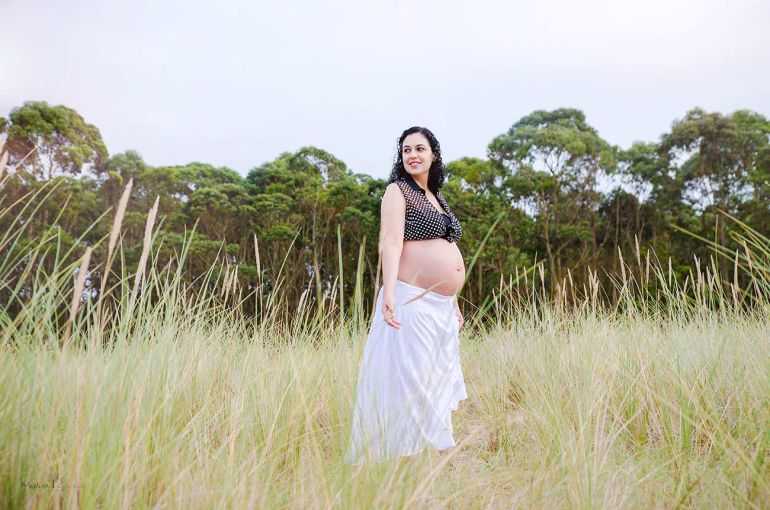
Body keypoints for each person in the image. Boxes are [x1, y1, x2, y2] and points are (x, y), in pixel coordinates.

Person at [344, 126, 468, 465]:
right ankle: (412, 456)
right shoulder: (397, 192)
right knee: (411, 376)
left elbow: (447, 248)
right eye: (406, 150)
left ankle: (439, 450)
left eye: (419, 149)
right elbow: (391, 242)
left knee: (435, 376)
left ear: (433, 155)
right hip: (411, 298)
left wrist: (453, 299)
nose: (412, 155)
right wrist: (390, 291)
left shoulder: (437, 198)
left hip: (439, 304)